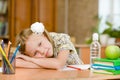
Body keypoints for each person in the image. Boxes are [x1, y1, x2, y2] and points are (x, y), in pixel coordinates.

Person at [16, 22, 83, 70]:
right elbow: (16, 63)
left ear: (44, 36)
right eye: (35, 53)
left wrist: (30, 59)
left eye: (40, 44)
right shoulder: (26, 50)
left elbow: (58, 64)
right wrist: (49, 65)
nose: (41, 51)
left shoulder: (61, 38)